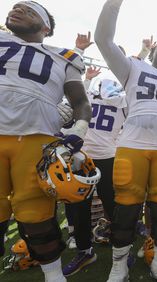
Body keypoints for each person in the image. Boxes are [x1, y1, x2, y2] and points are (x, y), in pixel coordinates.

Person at [95, 0, 157, 280]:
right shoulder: (132, 68)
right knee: (126, 208)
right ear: (151, 53)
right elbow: (103, 39)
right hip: (133, 145)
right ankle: (118, 265)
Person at [0, 2, 91, 281]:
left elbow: (80, 102)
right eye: (14, 7)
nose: (16, 10)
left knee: (37, 217)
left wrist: (78, 133)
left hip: (36, 138)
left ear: (45, 27)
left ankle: (54, 277)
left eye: (27, 10)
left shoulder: (65, 56)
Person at [61, 33, 128, 276]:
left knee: (114, 206)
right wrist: (88, 80)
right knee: (80, 207)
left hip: (109, 155)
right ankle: (85, 250)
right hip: (84, 155)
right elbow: (72, 100)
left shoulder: (126, 89)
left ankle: (120, 252)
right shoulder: (91, 85)